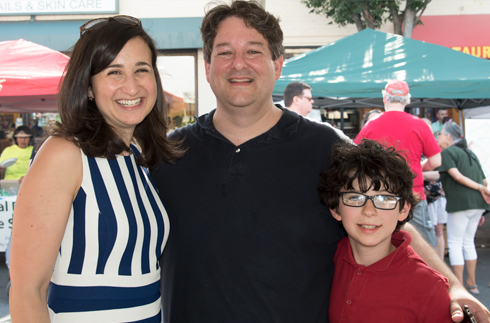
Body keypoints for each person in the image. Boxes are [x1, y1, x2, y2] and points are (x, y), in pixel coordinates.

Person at [151, 1, 490, 322]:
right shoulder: (166, 154)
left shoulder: (327, 148)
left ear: (278, 64)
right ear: (209, 67)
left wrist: (452, 284)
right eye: (225, 52)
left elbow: (389, 221)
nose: (239, 63)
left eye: (253, 51)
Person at [9, 15, 183, 322]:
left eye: (141, 70)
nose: (131, 86)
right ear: (89, 86)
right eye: (114, 72)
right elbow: (27, 292)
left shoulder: (140, 157)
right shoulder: (64, 154)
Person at [319, 139, 452, 322]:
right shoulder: (327, 259)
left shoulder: (430, 288)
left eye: (384, 199)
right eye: (355, 198)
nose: (369, 211)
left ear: (403, 209)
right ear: (335, 208)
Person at [355, 80, 441, 247]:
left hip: (380, 194)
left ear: (385, 99)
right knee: (423, 245)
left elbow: (357, 160)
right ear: (407, 100)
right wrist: (417, 168)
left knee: (384, 243)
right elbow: (436, 161)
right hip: (413, 192)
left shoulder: (371, 124)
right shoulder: (419, 124)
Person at [437, 121, 490, 295]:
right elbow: (484, 181)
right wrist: (480, 190)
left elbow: (457, 176)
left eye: (441, 133)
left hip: (460, 204)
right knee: (468, 242)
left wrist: (480, 189)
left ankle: (458, 285)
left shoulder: (448, 152)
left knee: (455, 243)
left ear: (447, 136)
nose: (439, 136)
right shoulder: (471, 153)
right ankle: (472, 283)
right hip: (477, 205)